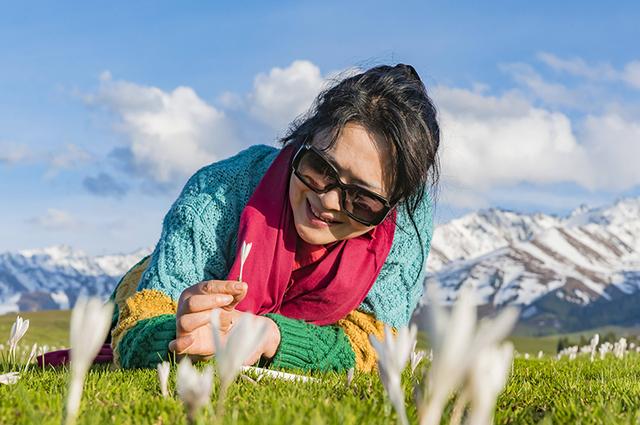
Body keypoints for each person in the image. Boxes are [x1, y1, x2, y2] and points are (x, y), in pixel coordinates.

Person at [108, 63, 441, 371]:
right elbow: (135, 331)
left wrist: (269, 335)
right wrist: (178, 332)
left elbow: (376, 343)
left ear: (394, 203)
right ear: (303, 139)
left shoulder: (405, 222)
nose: (327, 201)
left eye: (363, 200)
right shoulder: (216, 193)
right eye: (321, 168)